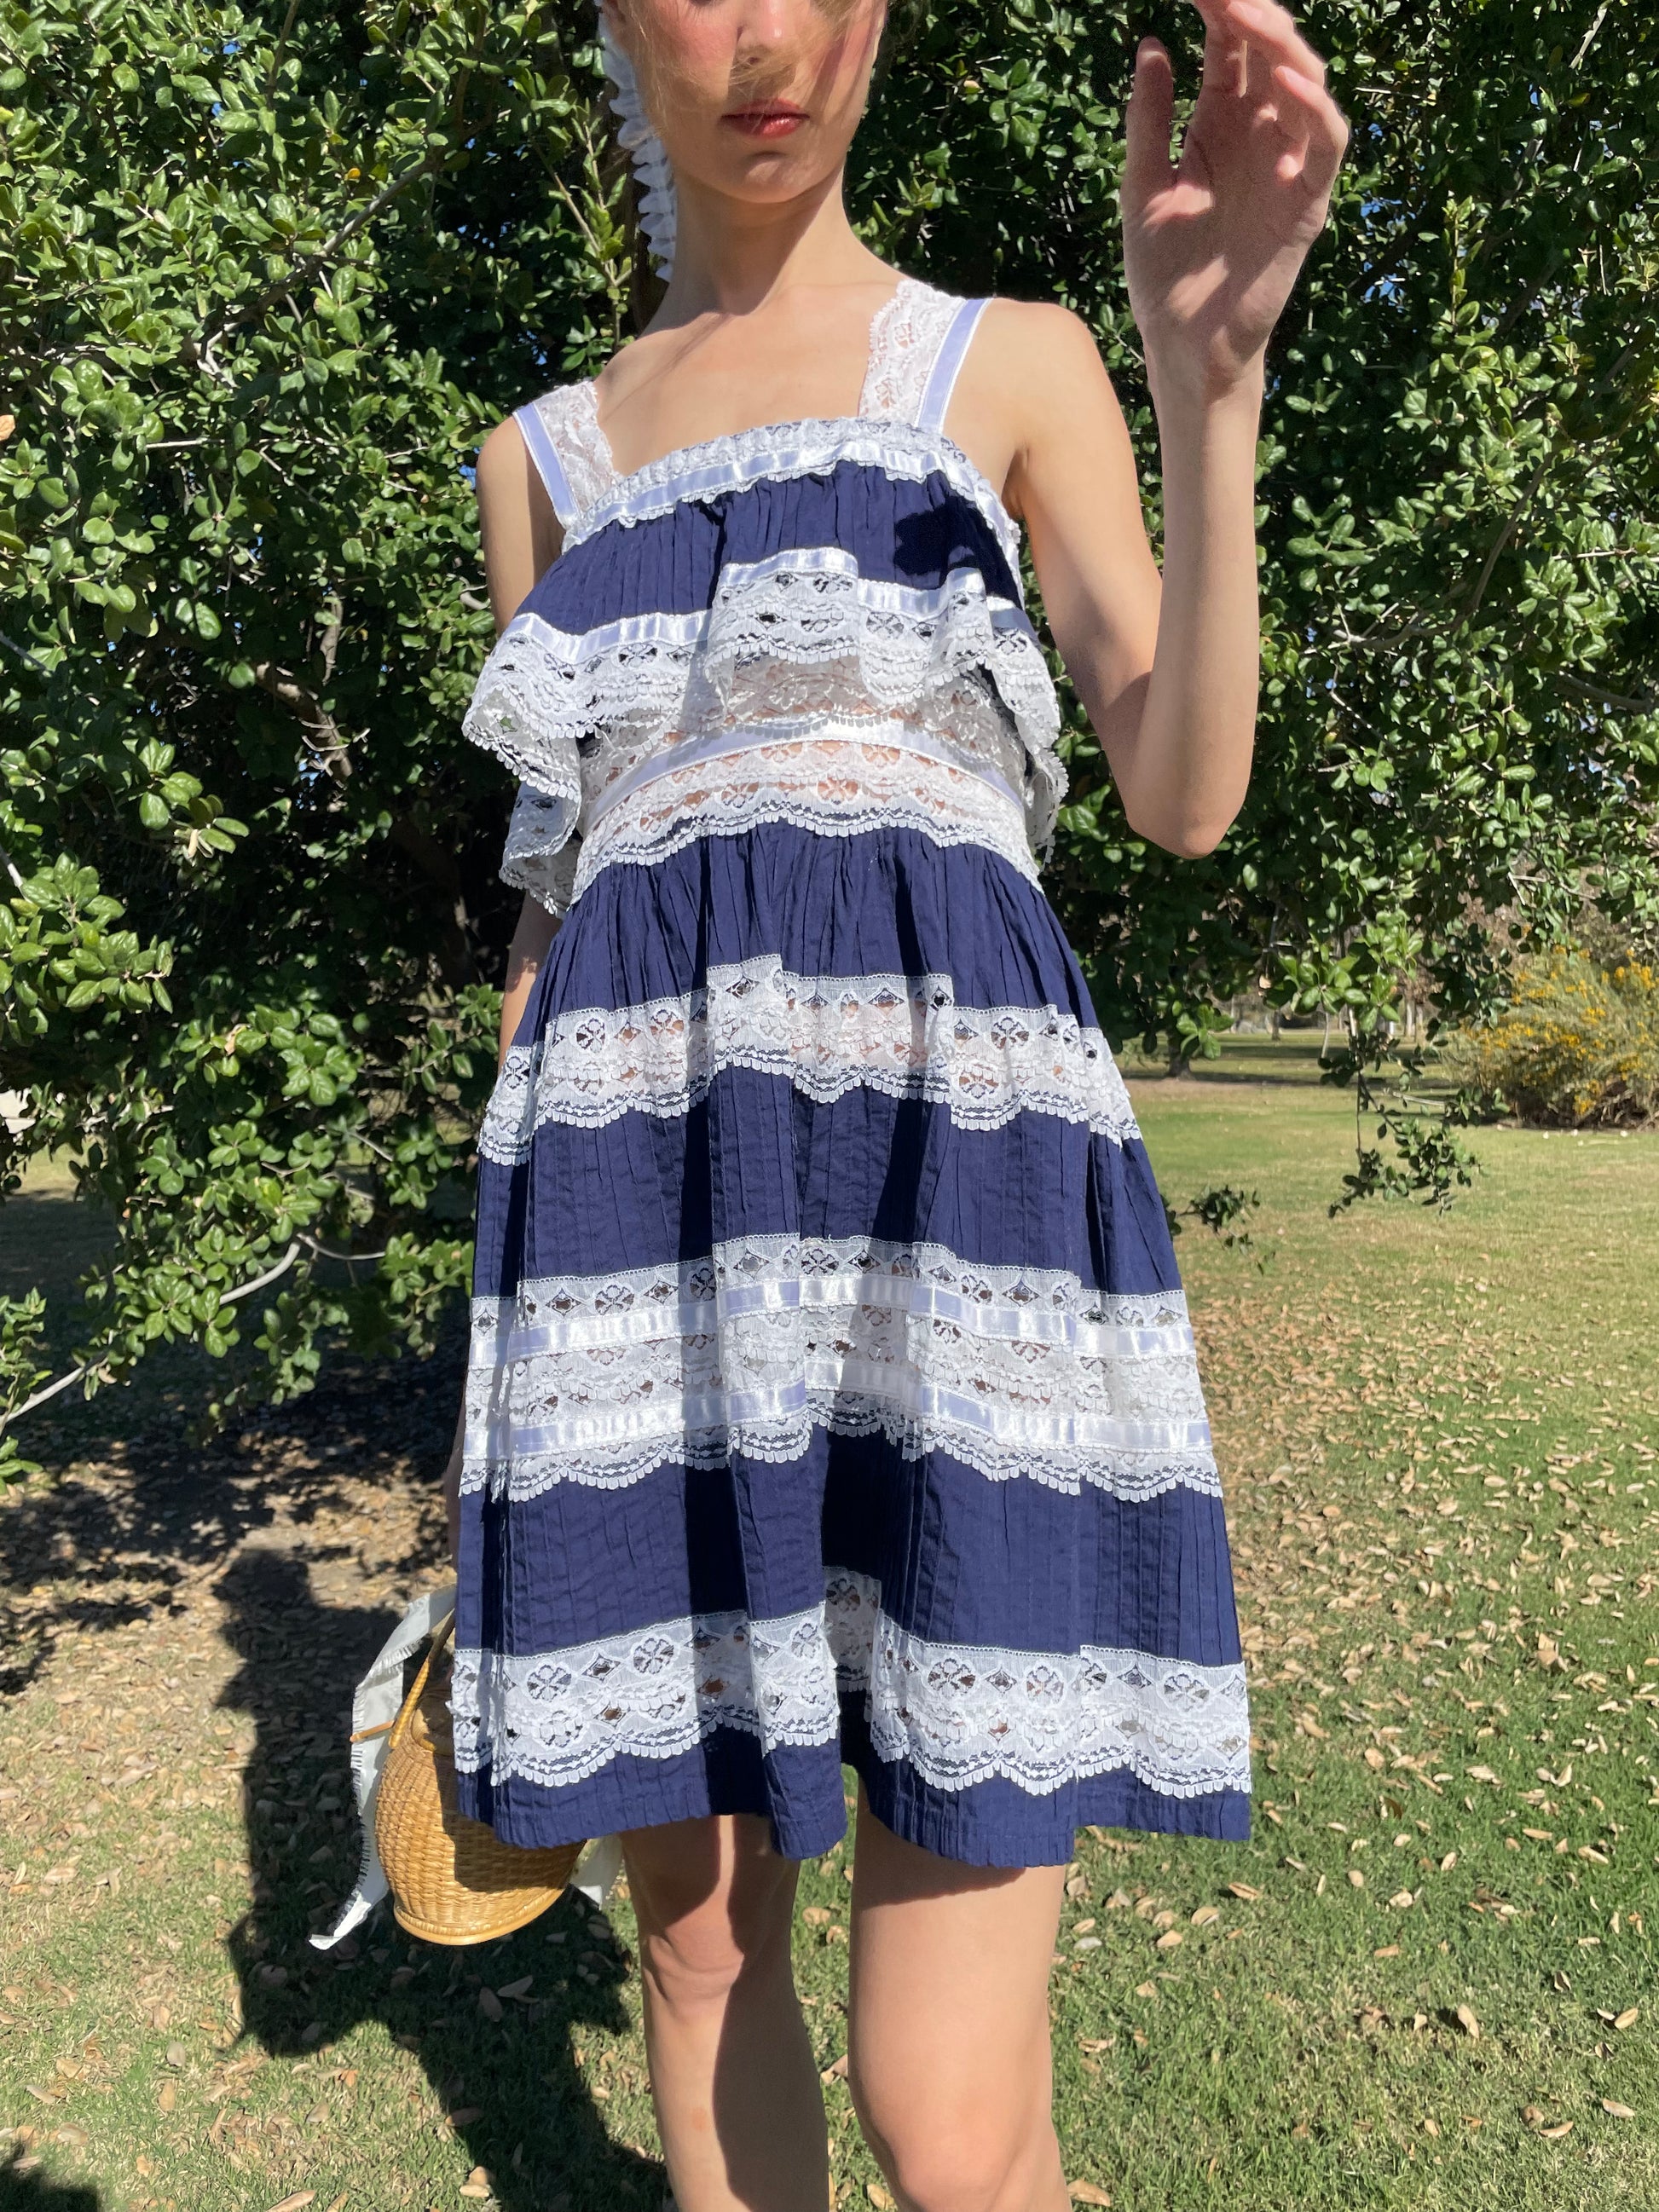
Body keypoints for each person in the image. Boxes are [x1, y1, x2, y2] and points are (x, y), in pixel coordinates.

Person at [442, 3, 1346, 2206]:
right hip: (640, 1257)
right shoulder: (536, 462)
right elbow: (562, 919)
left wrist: (1210, 390)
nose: (762, 36)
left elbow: (1182, 789)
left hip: (959, 1222)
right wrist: (521, 1380)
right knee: (696, 1965)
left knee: (947, 2115)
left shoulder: (1007, 362)